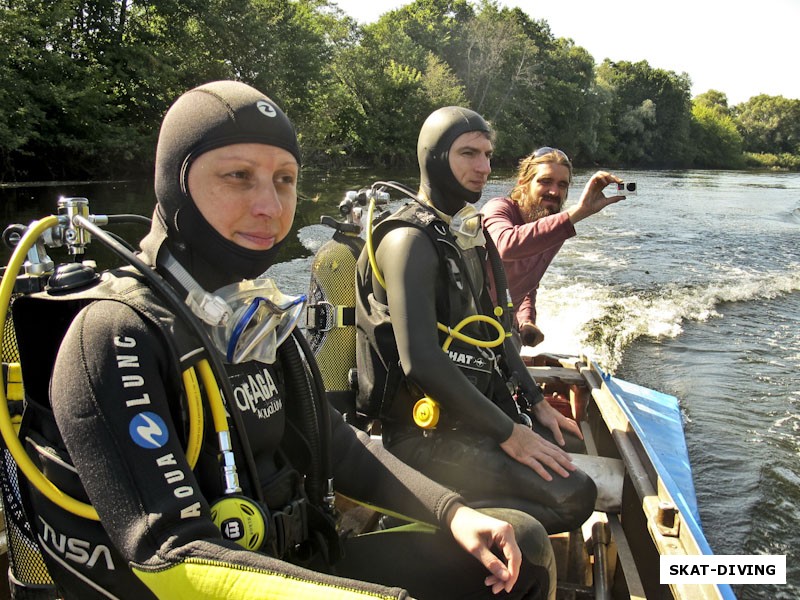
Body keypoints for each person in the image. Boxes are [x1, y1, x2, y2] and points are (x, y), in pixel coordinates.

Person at [8, 82, 556, 599]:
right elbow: (171, 560)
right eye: (238, 176)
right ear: (177, 183)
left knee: (521, 548)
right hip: (209, 583)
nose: (270, 206)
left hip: (302, 558)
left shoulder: (249, 313)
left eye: (285, 179)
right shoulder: (117, 334)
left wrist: (454, 511)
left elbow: (335, 442)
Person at [355, 107, 597, 535]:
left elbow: (499, 334)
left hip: (465, 414)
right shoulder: (409, 239)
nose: (483, 167)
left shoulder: (465, 234)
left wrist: (536, 405)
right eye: (468, 154)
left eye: (487, 155)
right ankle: (427, 517)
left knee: (569, 441)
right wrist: (510, 433)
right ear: (433, 156)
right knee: (575, 497)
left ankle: (454, 508)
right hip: (422, 435)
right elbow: (421, 364)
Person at [480, 148, 627, 347]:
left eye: (562, 185)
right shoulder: (498, 208)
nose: (554, 192)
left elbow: (528, 282)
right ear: (523, 184)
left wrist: (527, 320)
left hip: (504, 327)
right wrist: (578, 212)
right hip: (468, 323)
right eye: (545, 181)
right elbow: (506, 245)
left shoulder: (554, 228)